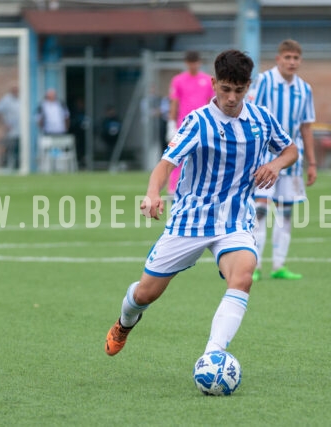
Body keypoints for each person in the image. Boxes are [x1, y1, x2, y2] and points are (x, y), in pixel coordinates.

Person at [105, 49, 298, 359]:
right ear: (214, 83)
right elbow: (166, 164)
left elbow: (290, 150)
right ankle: (125, 322)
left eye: (239, 89)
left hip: (234, 221)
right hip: (189, 221)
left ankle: (214, 355)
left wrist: (275, 165)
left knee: (244, 276)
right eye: (225, 89)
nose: (232, 97)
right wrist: (152, 193)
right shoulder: (197, 122)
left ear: (248, 86)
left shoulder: (261, 119)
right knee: (145, 293)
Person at [247, 39, 318, 281]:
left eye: (296, 58)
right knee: (259, 211)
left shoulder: (304, 89)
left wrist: (312, 163)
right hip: (265, 160)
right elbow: (251, 116)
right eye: (287, 57)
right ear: (278, 59)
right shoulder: (264, 81)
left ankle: (279, 265)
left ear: (300, 61)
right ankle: (253, 266)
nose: (292, 62)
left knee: (285, 214)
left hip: (292, 162)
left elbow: (306, 128)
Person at [166, 50, 215, 194]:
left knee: (204, 156)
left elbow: (210, 103)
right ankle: (173, 189)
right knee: (177, 156)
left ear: (199, 63)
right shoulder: (178, 80)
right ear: (186, 63)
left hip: (203, 125)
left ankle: (202, 188)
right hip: (183, 125)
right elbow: (174, 102)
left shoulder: (207, 80)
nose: (193, 65)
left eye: (195, 62)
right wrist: (171, 124)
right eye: (190, 62)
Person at [0, 84, 20, 169]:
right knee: (9, 148)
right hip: (11, 130)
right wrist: (4, 124)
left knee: (19, 149)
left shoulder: (23, 98)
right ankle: (6, 166)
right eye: (15, 90)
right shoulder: (6, 99)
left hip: (22, 130)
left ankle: (18, 166)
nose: (17, 92)